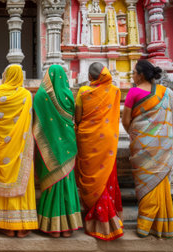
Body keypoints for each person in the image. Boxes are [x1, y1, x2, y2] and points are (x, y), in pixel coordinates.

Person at [122, 60, 173, 238]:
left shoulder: (134, 92)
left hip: (142, 145)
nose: (132, 76)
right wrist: (162, 123)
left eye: (133, 72)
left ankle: (144, 225)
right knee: (158, 182)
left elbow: (125, 121)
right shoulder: (166, 92)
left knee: (145, 184)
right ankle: (161, 227)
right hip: (162, 147)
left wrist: (137, 133)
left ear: (140, 75)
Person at [75, 62, 123, 241]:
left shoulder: (83, 92)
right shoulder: (115, 91)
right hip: (108, 140)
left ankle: (96, 219)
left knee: (91, 177)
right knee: (106, 177)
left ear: (89, 77)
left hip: (88, 138)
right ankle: (109, 219)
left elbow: (78, 116)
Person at [33, 65, 83, 238]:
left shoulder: (40, 96)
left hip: (49, 148)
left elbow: (37, 124)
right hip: (67, 145)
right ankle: (69, 226)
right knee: (67, 181)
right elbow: (76, 118)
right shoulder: (69, 95)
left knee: (52, 182)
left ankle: (51, 225)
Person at [0, 64, 38, 238]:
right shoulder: (26, 95)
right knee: (22, 182)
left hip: (3, 148)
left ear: (5, 76)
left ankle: (7, 225)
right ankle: (23, 225)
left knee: (6, 179)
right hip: (21, 148)